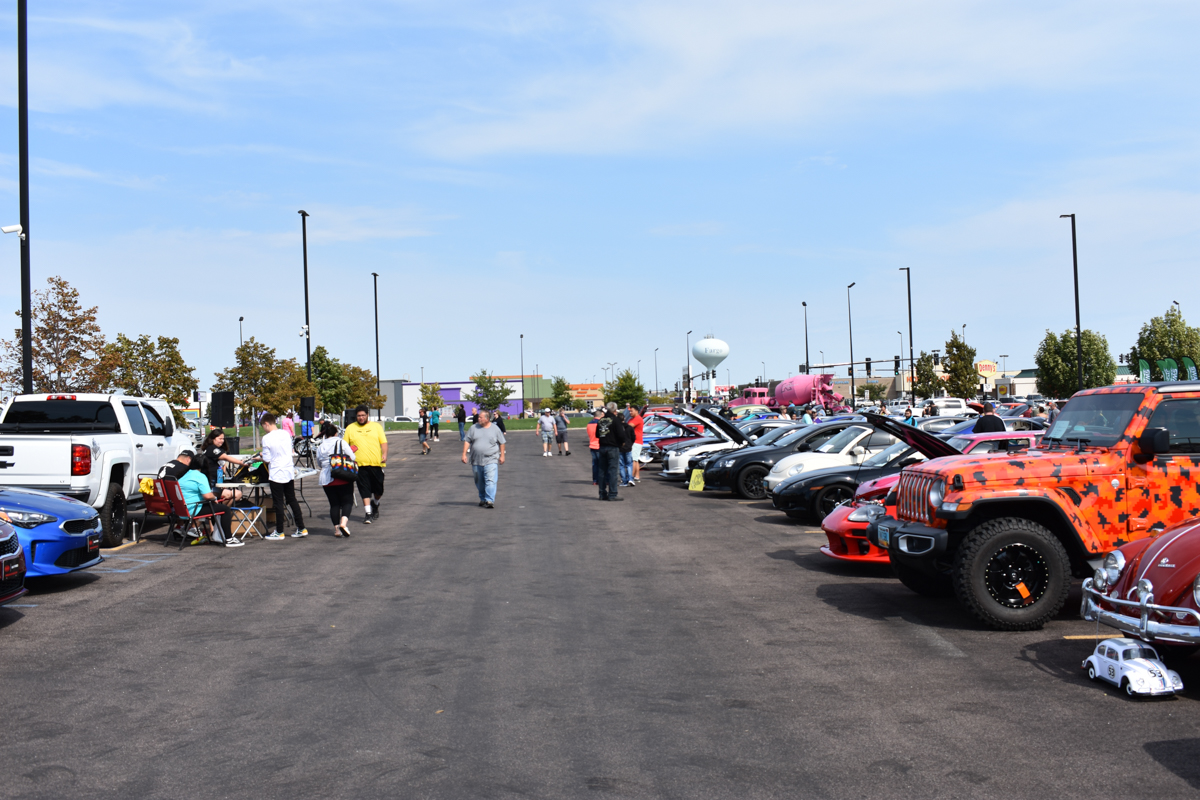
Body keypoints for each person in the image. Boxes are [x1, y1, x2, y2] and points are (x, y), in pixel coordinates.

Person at [260, 414, 308, 540]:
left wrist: (260, 456)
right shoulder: (286, 434)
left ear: (266, 424)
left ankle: (279, 531)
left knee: (278, 502)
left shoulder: (266, 438)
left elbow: (267, 459)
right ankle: (301, 527)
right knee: (292, 499)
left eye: (263, 426)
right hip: (288, 470)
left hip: (276, 473)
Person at [177, 460, 243, 547]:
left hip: (181, 510)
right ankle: (229, 538)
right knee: (225, 509)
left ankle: (216, 534)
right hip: (193, 509)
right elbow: (207, 495)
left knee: (215, 507)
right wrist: (214, 498)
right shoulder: (200, 476)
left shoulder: (184, 475)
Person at [344, 405, 388, 523]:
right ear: (356, 416)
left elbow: (383, 442)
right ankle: (368, 513)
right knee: (364, 489)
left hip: (376, 463)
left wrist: (384, 454)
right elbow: (345, 445)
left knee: (379, 490)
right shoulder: (350, 428)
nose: (361, 417)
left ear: (367, 415)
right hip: (359, 465)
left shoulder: (376, 427)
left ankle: (376, 503)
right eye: (359, 415)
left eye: (363, 415)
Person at [316, 421, 356, 538]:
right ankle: (343, 523)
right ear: (336, 433)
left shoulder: (321, 446)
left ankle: (337, 529)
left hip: (326, 478)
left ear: (325, 434)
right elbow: (352, 457)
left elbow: (319, 463)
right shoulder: (341, 442)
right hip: (342, 475)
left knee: (334, 504)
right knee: (347, 501)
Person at [462, 409, 506, 508]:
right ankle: (482, 498)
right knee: (479, 481)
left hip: (491, 458)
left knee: (490, 480)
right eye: (478, 417)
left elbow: (502, 442)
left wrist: (502, 455)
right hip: (476, 459)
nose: (478, 418)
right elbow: (467, 441)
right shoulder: (473, 428)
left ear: (487, 419)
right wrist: (464, 454)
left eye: (480, 417)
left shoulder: (495, 429)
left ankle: (489, 500)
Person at [199, 428, 246, 502]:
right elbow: (225, 457)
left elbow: (222, 464)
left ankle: (223, 508)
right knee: (234, 494)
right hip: (211, 482)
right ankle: (217, 508)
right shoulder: (212, 449)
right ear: (213, 439)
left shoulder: (218, 449)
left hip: (218, 480)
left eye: (223, 439)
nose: (222, 441)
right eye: (220, 439)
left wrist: (222, 480)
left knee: (237, 494)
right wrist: (240, 462)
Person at [596, 402, 628, 501]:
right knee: (613, 472)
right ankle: (612, 494)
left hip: (602, 447)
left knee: (602, 471)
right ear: (615, 410)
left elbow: (597, 434)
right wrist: (622, 442)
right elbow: (621, 435)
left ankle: (602, 493)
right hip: (613, 448)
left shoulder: (601, 420)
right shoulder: (616, 420)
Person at [618, 411, 636, 487]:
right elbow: (633, 437)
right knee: (629, 464)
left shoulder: (617, 428)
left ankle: (624, 481)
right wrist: (630, 444)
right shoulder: (629, 427)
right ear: (624, 418)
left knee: (621, 465)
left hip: (620, 448)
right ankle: (630, 479)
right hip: (628, 447)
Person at [627, 404, 644, 481]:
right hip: (634, 441)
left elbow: (629, 426)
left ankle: (631, 477)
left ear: (637, 411)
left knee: (633, 460)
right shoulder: (631, 419)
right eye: (629, 411)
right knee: (635, 460)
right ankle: (637, 476)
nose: (630, 412)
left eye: (631, 411)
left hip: (636, 441)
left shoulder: (638, 418)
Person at [587, 408, 603, 485]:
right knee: (602, 464)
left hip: (592, 444)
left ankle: (595, 480)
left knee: (595, 464)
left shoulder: (589, 424)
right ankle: (602, 479)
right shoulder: (600, 423)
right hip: (599, 445)